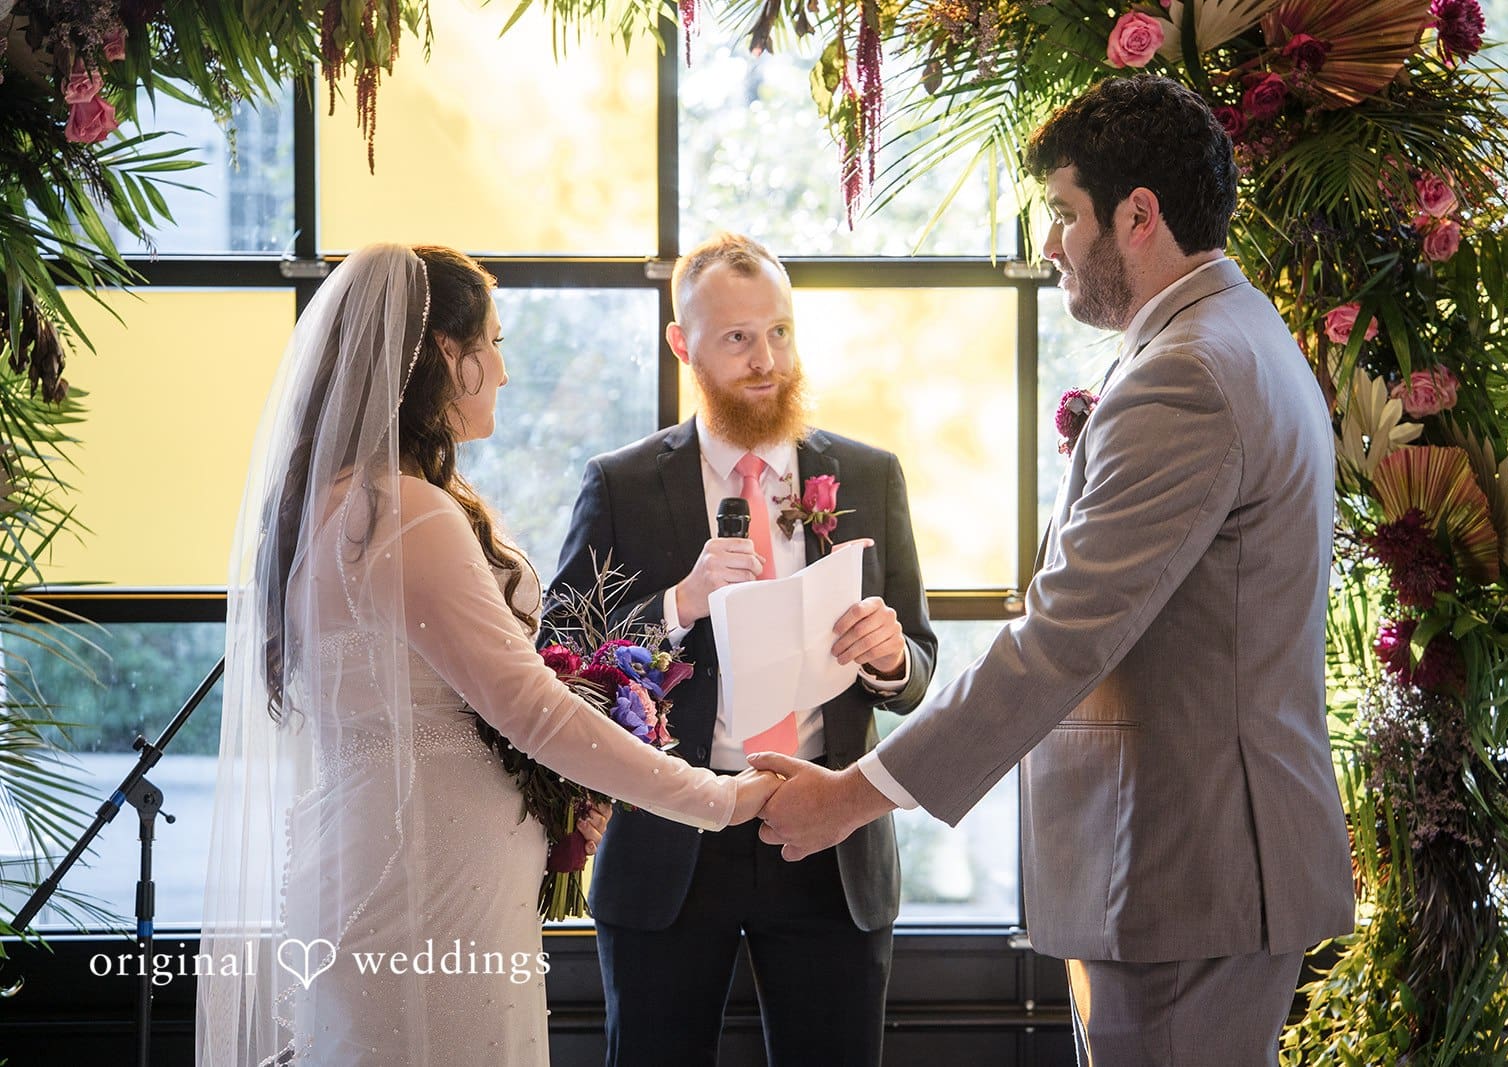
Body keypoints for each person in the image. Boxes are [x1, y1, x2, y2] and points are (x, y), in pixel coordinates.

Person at [753, 75, 1356, 1066]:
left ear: (1137, 215)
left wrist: (850, 792)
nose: (1048, 243)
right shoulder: (1225, 336)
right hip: (1190, 865)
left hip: (1181, 864)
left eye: (1062, 214)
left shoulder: (1187, 371)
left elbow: (1063, 636)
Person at [195, 243, 778, 1067]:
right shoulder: (408, 514)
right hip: (431, 883)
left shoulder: (329, 505)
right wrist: (717, 799)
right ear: (445, 353)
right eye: (493, 343)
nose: (503, 370)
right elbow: (532, 708)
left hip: (371, 858)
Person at [545, 232, 937, 1066]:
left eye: (781, 332)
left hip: (826, 837)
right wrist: (678, 604)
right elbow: (561, 651)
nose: (767, 360)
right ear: (683, 344)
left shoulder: (870, 475)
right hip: (670, 841)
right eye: (738, 338)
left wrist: (890, 656)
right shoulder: (620, 483)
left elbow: (918, 667)